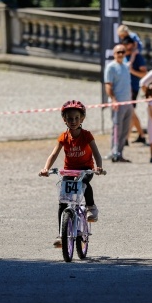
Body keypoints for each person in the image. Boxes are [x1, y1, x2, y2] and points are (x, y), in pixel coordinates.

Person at [39, 100, 104, 246]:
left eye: (76, 118)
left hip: (85, 169)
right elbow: (54, 154)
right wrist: (46, 168)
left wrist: (98, 167)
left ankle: (91, 207)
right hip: (69, 170)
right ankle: (61, 235)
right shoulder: (63, 137)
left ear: (82, 119)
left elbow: (97, 154)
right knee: (63, 202)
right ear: (64, 120)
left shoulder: (87, 136)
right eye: (69, 118)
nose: (73, 121)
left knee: (84, 183)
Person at [104, 44, 133, 163]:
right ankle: (114, 152)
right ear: (114, 54)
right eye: (118, 52)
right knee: (117, 128)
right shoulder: (111, 67)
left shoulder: (126, 66)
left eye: (122, 51)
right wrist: (114, 100)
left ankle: (120, 152)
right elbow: (108, 85)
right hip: (118, 103)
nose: (120, 54)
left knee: (125, 130)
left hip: (128, 102)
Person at [122, 36, 147, 145]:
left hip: (133, 88)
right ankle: (141, 135)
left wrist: (132, 71)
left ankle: (126, 137)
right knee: (131, 112)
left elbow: (144, 74)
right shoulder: (123, 56)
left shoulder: (137, 58)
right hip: (124, 88)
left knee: (130, 113)